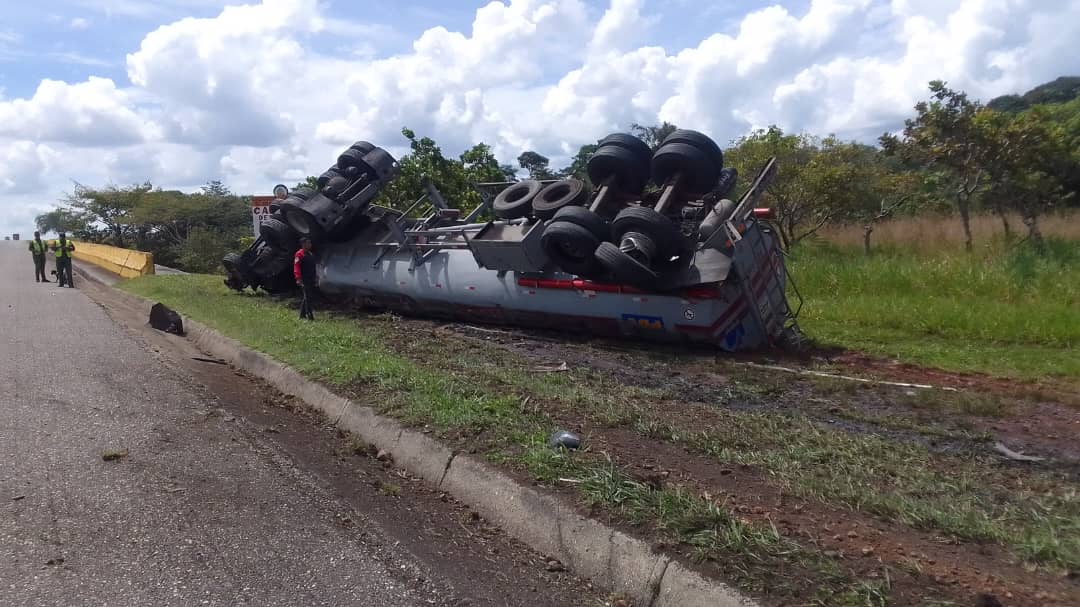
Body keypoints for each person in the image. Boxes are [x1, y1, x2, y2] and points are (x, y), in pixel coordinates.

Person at [293, 238, 318, 320]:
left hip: (311, 278)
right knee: (308, 297)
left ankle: (301, 315)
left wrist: (316, 277)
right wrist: (298, 278)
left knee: (307, 296)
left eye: (310, 243)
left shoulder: (311, 254)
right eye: (308, 243)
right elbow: (296, 267)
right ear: (303, 244)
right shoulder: (299, 254)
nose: (310, 244)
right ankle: (310, 316)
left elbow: (314, 267)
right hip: (304, 279)